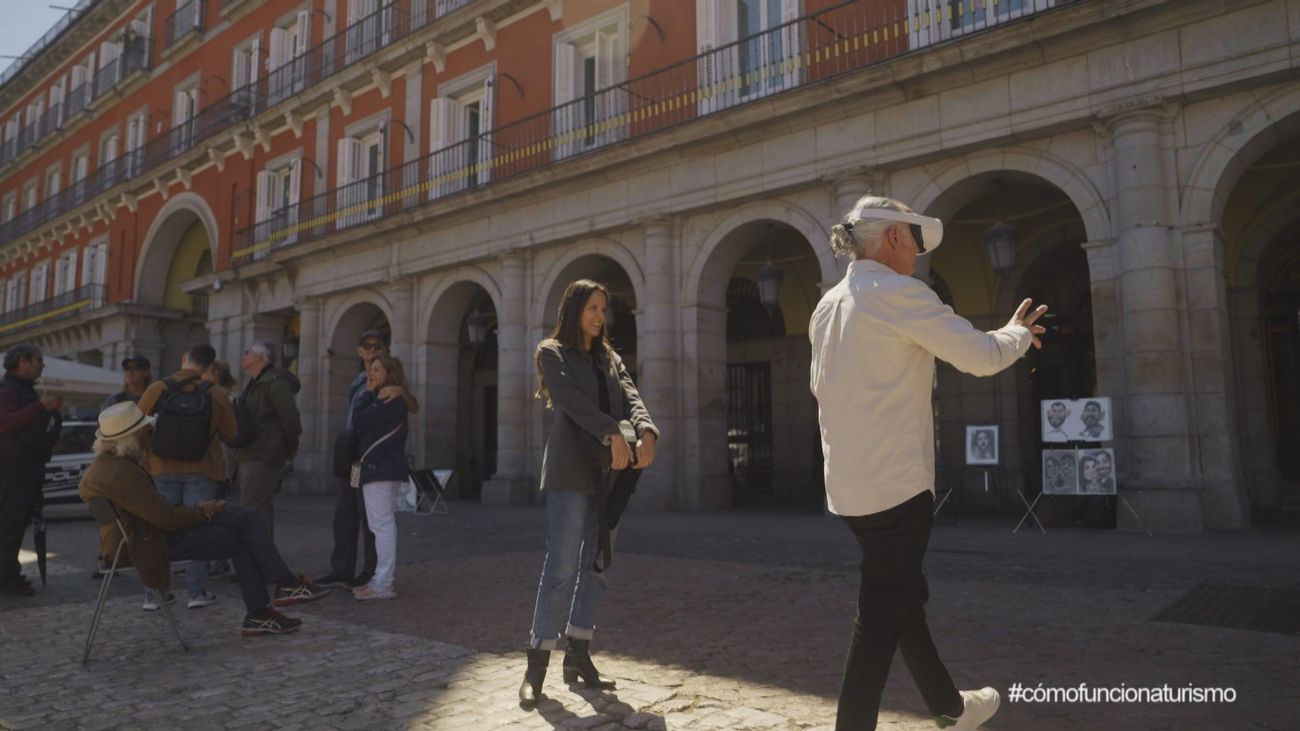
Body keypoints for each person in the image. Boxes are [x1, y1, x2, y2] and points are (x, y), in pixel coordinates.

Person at [810, 194, 1048, 731]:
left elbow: (820, 389)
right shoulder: (899, 293)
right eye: (914, 240)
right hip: (896, 489)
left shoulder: (827, 305)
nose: (917, 254)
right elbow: (981, 356)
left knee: (901, 597)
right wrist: (1017, 334)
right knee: (880, 615)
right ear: (893, 236)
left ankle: (950, 709)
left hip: (847, 491)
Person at [519, 279, 659, 709]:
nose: (599, 316)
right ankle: (536, 666)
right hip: (570, 472)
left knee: (597, 566)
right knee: (561, 567)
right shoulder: (551, 352)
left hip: (611, 475)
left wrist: (647, 431)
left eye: (603, 309)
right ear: (574, 309)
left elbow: (632, 397)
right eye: (592, 308)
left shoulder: (610, 357)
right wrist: (612, 430)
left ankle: (578, 654)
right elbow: (572, 401)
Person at [78, 402, 329, 635]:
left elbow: (156, 511)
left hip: (141, 537)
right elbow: (166, 518)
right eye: (147, 432)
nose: (150, 437)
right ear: (131, 439)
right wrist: (204, 511)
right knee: (239, 533)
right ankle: (271, 599)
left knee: (244, 520)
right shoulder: (122, 473)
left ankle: (275, 596)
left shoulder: (106, 467)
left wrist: (200, 509)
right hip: (145, 543)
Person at [137, 344, 238, 610]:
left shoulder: (157, 389)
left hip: (160, 468)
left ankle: (154, 594)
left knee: (157, 529)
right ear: (209, 367)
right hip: (201, 469)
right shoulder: (215, 394)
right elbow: (231, 434)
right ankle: (197, 592)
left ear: (184, 359)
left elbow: (136, 427)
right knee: (198, 528)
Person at [317, 330, 418, 591]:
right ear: (359, 351)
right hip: (354, 456)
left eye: (377, 346)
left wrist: (401, 391)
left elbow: (413, 406)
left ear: (384, 351)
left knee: (371, 517)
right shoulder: (357, 381)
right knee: (344, 513)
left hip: (370, 457)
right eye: (367, 346)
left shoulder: (388, 384)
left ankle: (372, 572)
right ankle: (341, 570)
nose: (372, 350)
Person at [0, 345, 62, 597]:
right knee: (11, 524)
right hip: (13, 468)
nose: (42, 365)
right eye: (38, 360)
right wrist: (41, 407)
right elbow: (3, 423)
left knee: (15, 524)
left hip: (26, 467)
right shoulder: (7, 390)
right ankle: (7, 577)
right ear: (23, 362)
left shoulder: (23, 390)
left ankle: (8, 574)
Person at [349, 354, 411, 601]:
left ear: (389, 373)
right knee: (380, 525)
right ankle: (380, 580)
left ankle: (383, 583)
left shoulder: (388, 398)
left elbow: (359, 421)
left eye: (377, 369)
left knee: (382, 526)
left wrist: (366, 393)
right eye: (370, 369)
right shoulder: (387, 397)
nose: (371, 374)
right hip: (381, 467)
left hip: (380, 468)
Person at [234, 342, 301, 536]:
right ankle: (261, 553)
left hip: (263, 454)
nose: (243, 356)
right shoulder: (254, 383)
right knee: (257, 511)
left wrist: (286, 450)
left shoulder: (274, 383)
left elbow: (291, 420)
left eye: (247, 352)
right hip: (249, 453)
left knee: (253, 511)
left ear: (260, 357)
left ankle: (259, 553)